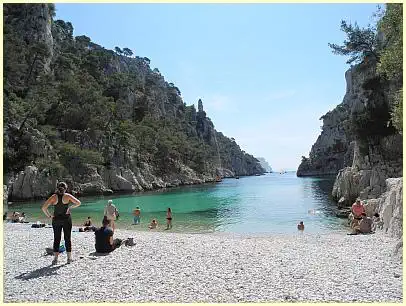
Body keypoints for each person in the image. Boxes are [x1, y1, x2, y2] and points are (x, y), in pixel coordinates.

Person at [42, 181, 81, 265]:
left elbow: (44, 208)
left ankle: (55, 259)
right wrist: (70, 207)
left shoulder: (53, 197)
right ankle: (69, 258)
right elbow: (78, 203)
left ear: (57, 188)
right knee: (67, 238)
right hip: (66, 219)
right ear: (66, 188)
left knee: (57, 238)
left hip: (56, 220)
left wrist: (49, 216)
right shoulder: (68, 196)